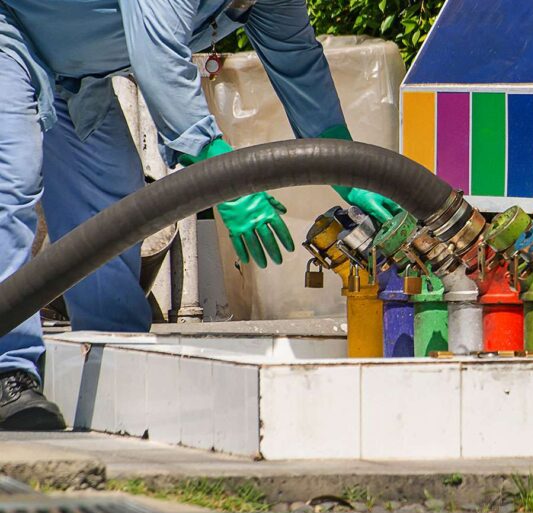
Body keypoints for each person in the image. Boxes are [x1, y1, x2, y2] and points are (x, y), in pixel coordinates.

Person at [0, 0, 402, 429]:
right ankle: (8, 372)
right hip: (11, 33)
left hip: (77, 78)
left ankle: (118, 371)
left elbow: (300, 67)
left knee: (106, 218)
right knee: (10, 184)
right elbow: (157, 58)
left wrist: (349, 169)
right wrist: (222, 173)